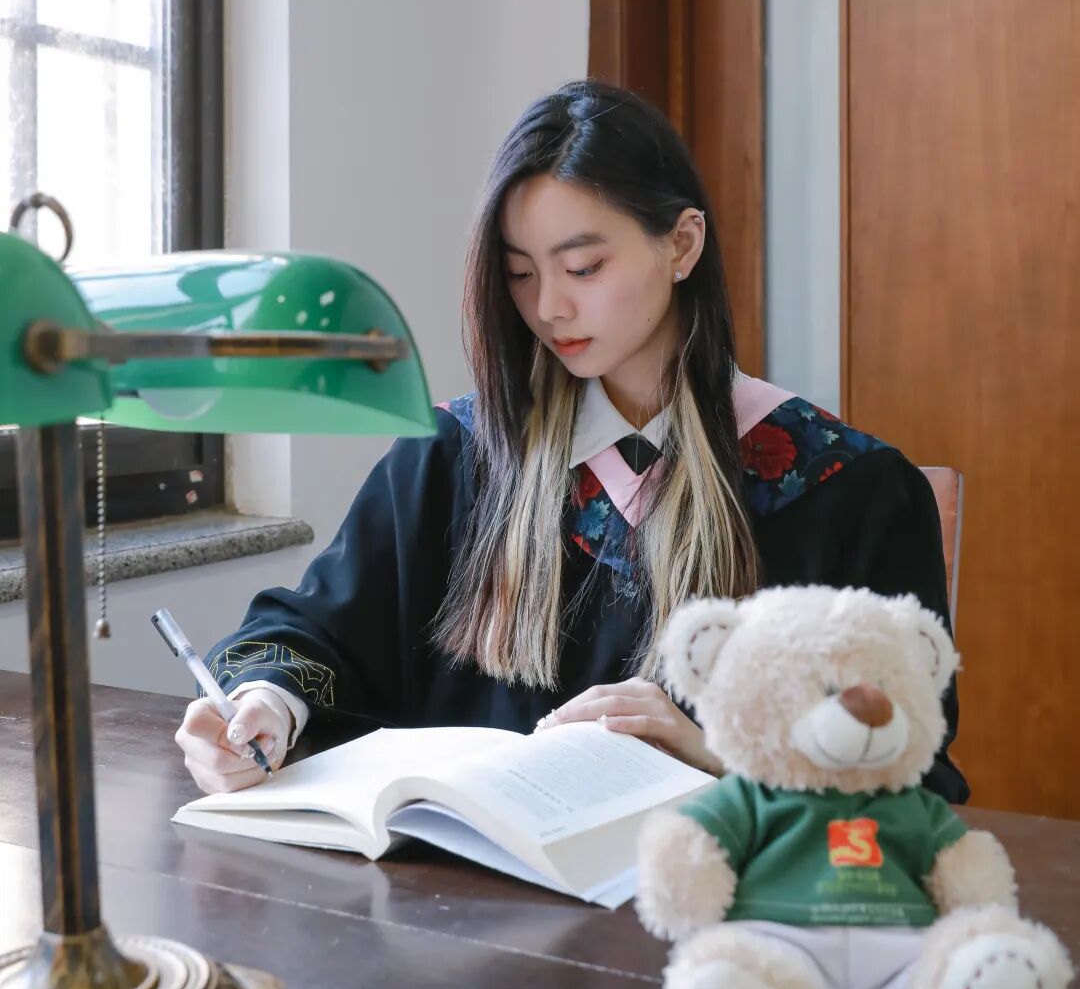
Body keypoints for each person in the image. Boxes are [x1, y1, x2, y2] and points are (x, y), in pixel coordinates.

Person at [175, 80, 967, 803]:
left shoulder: (846, 489)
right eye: (520, 274)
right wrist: (263, 705)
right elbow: (314, 633)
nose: (549, 307)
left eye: (582, 267)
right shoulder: (456, 457)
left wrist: (719, 759)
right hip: (462, 894)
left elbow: (913, 774)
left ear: (682, 245)